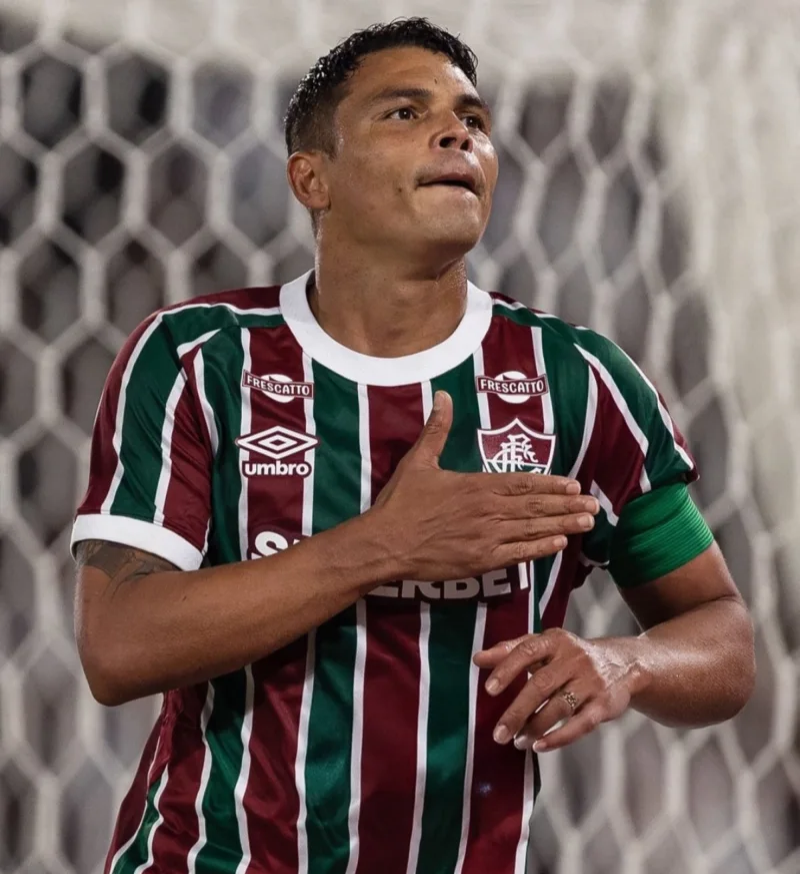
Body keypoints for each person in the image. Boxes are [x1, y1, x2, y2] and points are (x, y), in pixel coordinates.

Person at [71, 18, 755, 874]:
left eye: (473, 119)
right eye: (405, 112)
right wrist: (383, 546)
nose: (457, 134)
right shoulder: (196, 359)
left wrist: (629, 661)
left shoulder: (577, 380)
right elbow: (118, 647)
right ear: (311, 177)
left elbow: (723, 637)